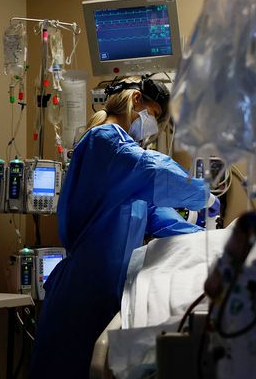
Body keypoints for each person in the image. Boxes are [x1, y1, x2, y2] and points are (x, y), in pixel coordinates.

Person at [30, 77, 209, 377]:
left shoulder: (128, 173)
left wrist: (210, 239)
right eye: (152, 115)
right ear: (137, 100)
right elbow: (155, 171)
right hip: (80, 295)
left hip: (107, 297)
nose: (151, 126)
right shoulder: (106, 142)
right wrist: (205, 193)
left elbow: (161, 217)